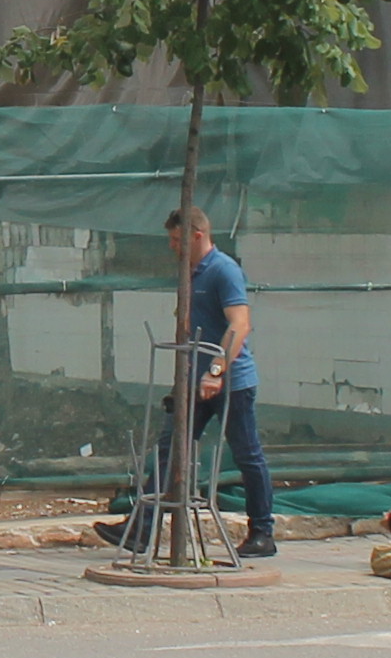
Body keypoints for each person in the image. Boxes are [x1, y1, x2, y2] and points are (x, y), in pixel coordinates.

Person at [111, 207, 275, 559]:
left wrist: (215, 372)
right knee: (171, 450)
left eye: (176, 240)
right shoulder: (191, 273)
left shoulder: (223, 271)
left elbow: (240, 325)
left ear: (197, 235)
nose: (171, 247)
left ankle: (262, 531)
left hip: (230, 383)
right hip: (192, 384)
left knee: (247, 454)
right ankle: (141, 528)